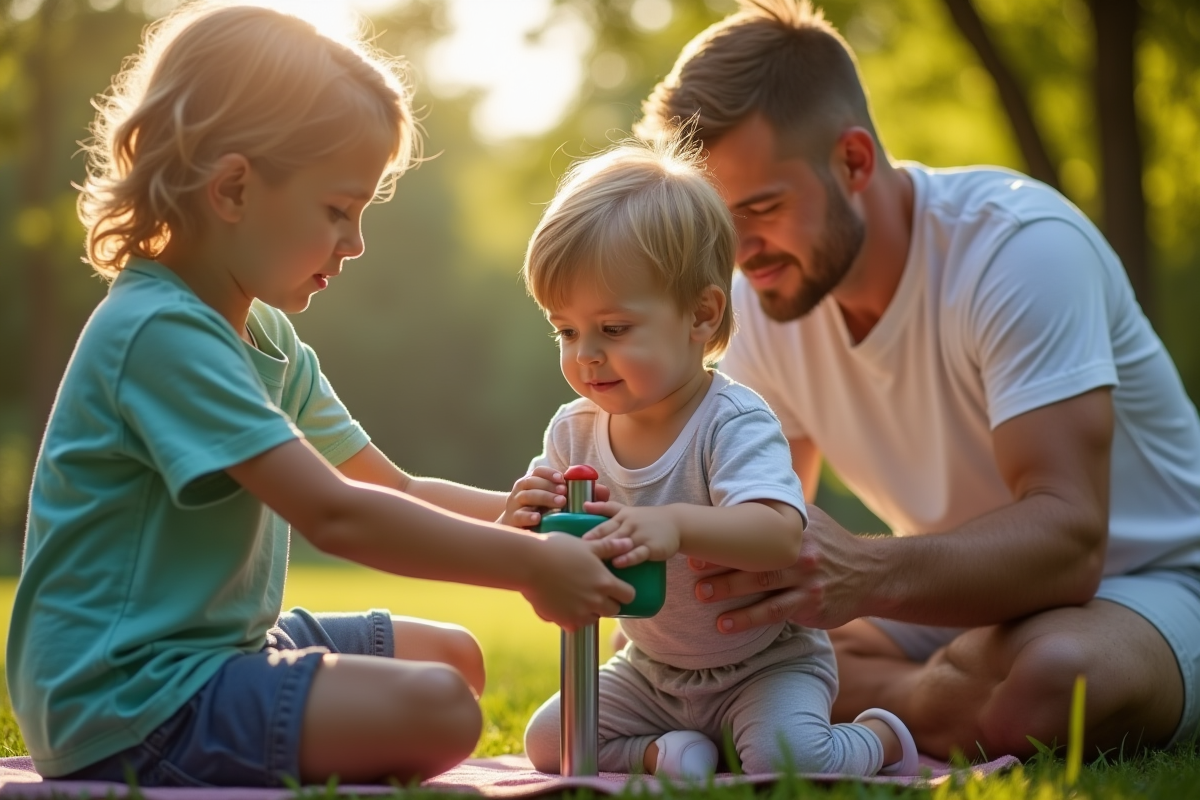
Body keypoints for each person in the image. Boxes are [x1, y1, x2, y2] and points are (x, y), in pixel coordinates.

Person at [6, 2, 638, 787]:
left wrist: (525, 517)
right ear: (232, 187)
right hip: (129, 697)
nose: (356, 242)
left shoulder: (264, 334)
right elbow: (332, 513)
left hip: (219, 651)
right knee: (441, 708)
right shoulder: (160, 332)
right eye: (338, 209)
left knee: (458, 659)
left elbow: (391, 487)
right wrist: (530, 568)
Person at [630, 0, 1200, 761]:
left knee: (1055, 679)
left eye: (762, 208)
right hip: (958, 591)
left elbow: (1069, 543)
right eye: (718, 224)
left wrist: (865, 574)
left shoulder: (1020, 250)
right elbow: (759, 525)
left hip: (1151, 582)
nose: (739, 253)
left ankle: (924, 701)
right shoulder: (761, 298)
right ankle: (949, 693)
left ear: (855, 161)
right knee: (747, 664)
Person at [504, 136, 921, 779]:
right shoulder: (574, 431)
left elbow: (779, 531)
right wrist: (532, 527)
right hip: (649, 668)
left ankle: (880, 740)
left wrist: (674, 525)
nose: (586, 353)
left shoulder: (731, 421)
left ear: (701, 314)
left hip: (762, 662)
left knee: (794, 762)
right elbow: (568, 551)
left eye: (613, 329)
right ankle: (662, 752)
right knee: (551, 740)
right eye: (566, 330)